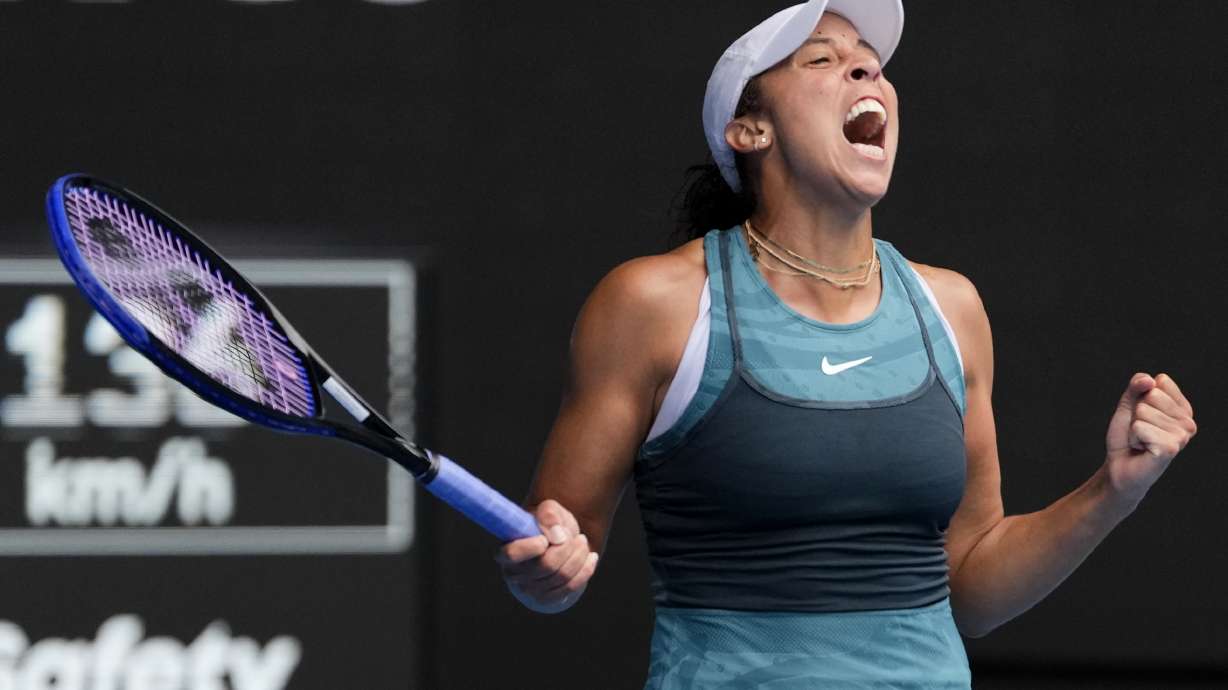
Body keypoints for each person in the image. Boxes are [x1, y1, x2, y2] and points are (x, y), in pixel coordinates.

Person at [494, 1, 1198, 687]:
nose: (867, 75)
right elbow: (553, 557)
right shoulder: (652, 303)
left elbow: (974, 590)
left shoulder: (951, 307)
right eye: (825, 60)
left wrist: (1112, 492)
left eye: (872, 66)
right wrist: (545, 569)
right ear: (749, 130)